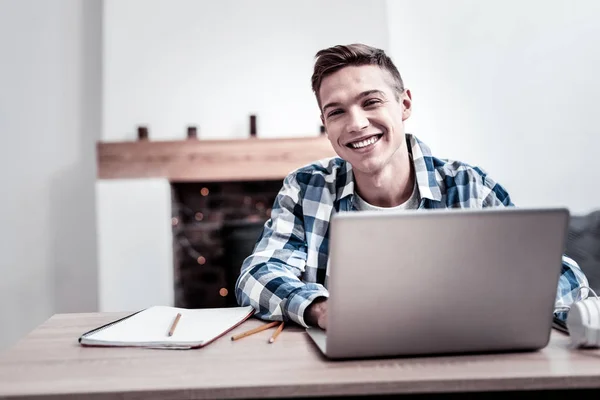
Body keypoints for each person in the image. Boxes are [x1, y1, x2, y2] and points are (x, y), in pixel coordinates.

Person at [234, 43, 589, 330]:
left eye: (371, 102)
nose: (356, 124)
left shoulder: (469, 186)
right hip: (342, 364)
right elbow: (257, 275)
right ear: (326, 124)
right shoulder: (306, 187)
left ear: (404, 104)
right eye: (336, 112)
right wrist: (322, 310)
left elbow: (561, 278)